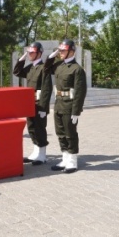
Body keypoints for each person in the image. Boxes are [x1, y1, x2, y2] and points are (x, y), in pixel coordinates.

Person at [45, 39, 87, 173]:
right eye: (60, 50)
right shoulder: (59, 66)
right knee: (61, 133)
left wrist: (76, 111)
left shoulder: (77, 69)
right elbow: (46, 66)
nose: (60, 53)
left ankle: (73, 161)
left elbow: (80, 92)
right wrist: (55, 53)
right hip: (58, 104)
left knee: (70, 133)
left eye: (63, 50)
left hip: (69, 105)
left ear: (72, 51)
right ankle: (65, 158)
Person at [13, 42, 53, 165]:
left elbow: (46, 89)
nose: (30, 54)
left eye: (32, 52)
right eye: (29, 52)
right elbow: (17, 72)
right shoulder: (30, 67)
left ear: (39, 53)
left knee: (40, 128)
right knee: (32, 128)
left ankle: (42, 155)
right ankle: (35, 153)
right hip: (30, 103)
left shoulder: (43, 68)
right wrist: (21, 59)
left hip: (39, 103)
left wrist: (43, 107)